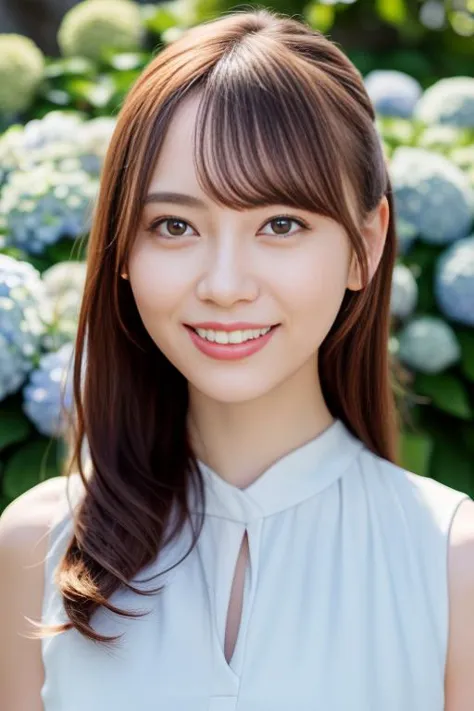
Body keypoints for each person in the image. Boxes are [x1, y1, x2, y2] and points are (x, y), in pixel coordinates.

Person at [1, 8, 474, 710]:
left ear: (365, 245)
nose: (224, 284)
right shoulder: (35, 549)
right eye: (175, 225)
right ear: (122, 250)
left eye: (280, 224)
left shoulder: (451, 561)